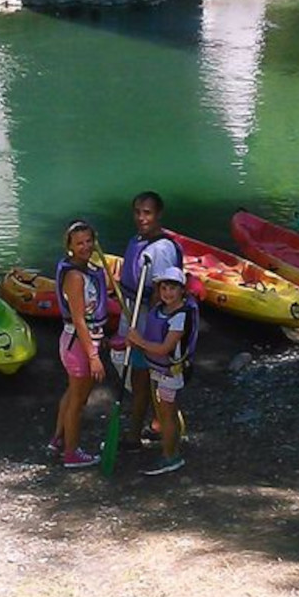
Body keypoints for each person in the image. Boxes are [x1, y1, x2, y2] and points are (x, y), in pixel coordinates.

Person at [113, 191, 183, 451]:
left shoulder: (161, 250)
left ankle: (143, 435)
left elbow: (163, 294)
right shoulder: (137, 240)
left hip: (150, 323)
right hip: (134, 312)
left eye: (147, 213)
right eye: (138, 212)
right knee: (142, 379)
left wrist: (147, 334)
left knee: (146, 379)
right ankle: (148, 428)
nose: (141, 218)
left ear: (158, 215)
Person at [125, 267, 198, 475]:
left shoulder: (180, 317)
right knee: (164, 411)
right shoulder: (160, 309)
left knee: (167, 413)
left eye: (172, 288)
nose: (167, 293)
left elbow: (164, 348)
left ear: (182, 290)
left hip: (171, 372)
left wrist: (139, 341)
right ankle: (169, 449)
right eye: (164, 288)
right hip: (157, 369)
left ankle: (171, 456)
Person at [48, 220, 109, 468]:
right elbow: (80, 320)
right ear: (69, 247)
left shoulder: (85, 268)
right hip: (78, 344)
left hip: (78, 341)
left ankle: (58, 440)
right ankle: (72, 453)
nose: (85, 247)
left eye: (88, 241)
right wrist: (93, 355)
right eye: (79, 243)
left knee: (72, 393)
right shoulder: (74, 277)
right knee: (78, 401)